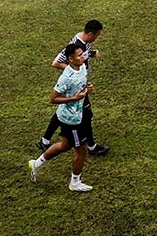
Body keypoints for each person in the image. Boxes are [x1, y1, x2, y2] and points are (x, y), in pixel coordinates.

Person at [28, 43, 96, 193]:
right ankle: (75, 182)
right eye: (79, 55)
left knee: (64, 145)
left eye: (83, 53)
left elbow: (81, 85)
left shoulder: (82, 66)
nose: (83, 56)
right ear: (71, 59)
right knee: (81, 150)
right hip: (71, 119)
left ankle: (36, 164)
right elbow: (53, 99)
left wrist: (86, 88)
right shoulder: (66, 77)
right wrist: (75, 98)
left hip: (78, 115)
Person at [37, 20, 110, 157]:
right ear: (90, 33)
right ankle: (92, 146)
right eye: (97, 35)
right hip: (76, 86)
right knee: (86, 115)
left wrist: (92, 53)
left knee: (64, 111)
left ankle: (45, 140)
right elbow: (56, 62)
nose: (97, 37)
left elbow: (83, 55)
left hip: (81, 83)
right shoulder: (75, 45)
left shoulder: (85, 42)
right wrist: (75, 73)